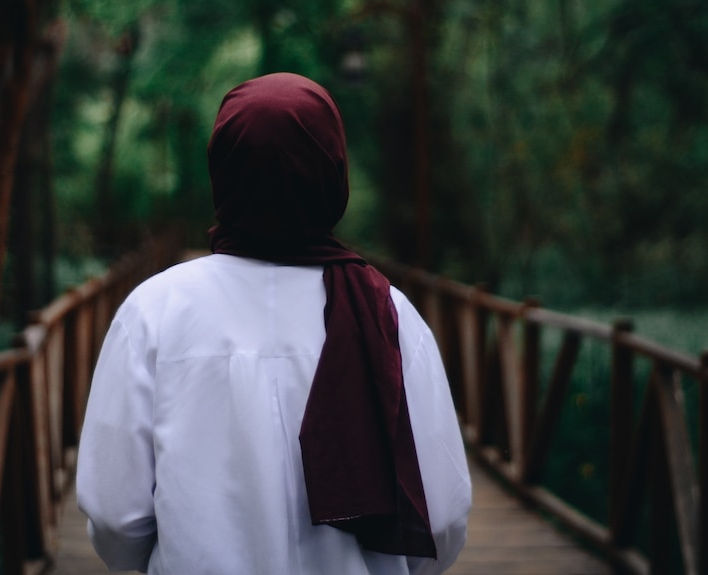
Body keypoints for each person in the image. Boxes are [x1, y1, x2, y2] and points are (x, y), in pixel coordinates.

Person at [76, 72, 471, 575]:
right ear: (333, 172)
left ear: (225, 169)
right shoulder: (389, 314)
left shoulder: (153, 310)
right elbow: (441, 519)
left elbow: (115, 519)